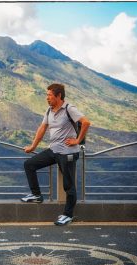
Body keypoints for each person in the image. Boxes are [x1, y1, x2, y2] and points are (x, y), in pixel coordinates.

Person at [21, 83, 91, 226]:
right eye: (47, 95)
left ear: (58, 96)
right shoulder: (49, 111)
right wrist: (33, 146)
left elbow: (86, 122)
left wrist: (77, 140)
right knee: (29, 164)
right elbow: (42, 128)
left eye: (49, 95)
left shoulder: (69, 109)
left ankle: (68, 215)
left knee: (68, 185)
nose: (47, 98)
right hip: (54, 150)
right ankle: (36, 195)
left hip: (68, 153)